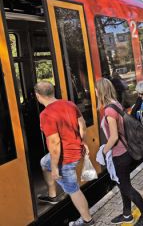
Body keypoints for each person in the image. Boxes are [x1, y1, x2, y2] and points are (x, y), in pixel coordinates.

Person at [96, 78, 143, 225]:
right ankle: (127, 214)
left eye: (96, 90)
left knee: (125, 187)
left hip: (120, 154)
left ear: (100, 91)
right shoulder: (115, 104)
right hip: (125, 151)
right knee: (123, 184)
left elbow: (114, 136)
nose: (95, 92)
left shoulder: (109, 110)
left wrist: (104, 150)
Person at [34, 81, 94, 226]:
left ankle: (88, 221)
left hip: (65, 158)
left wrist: (55, 167)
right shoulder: (70, 104)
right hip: (75, 151)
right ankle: (52, 194)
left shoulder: (46, 114)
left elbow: (55, 143)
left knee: (73, 190)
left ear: (38, 95)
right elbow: (82, 125)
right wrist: (83, 142)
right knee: (44, 162)